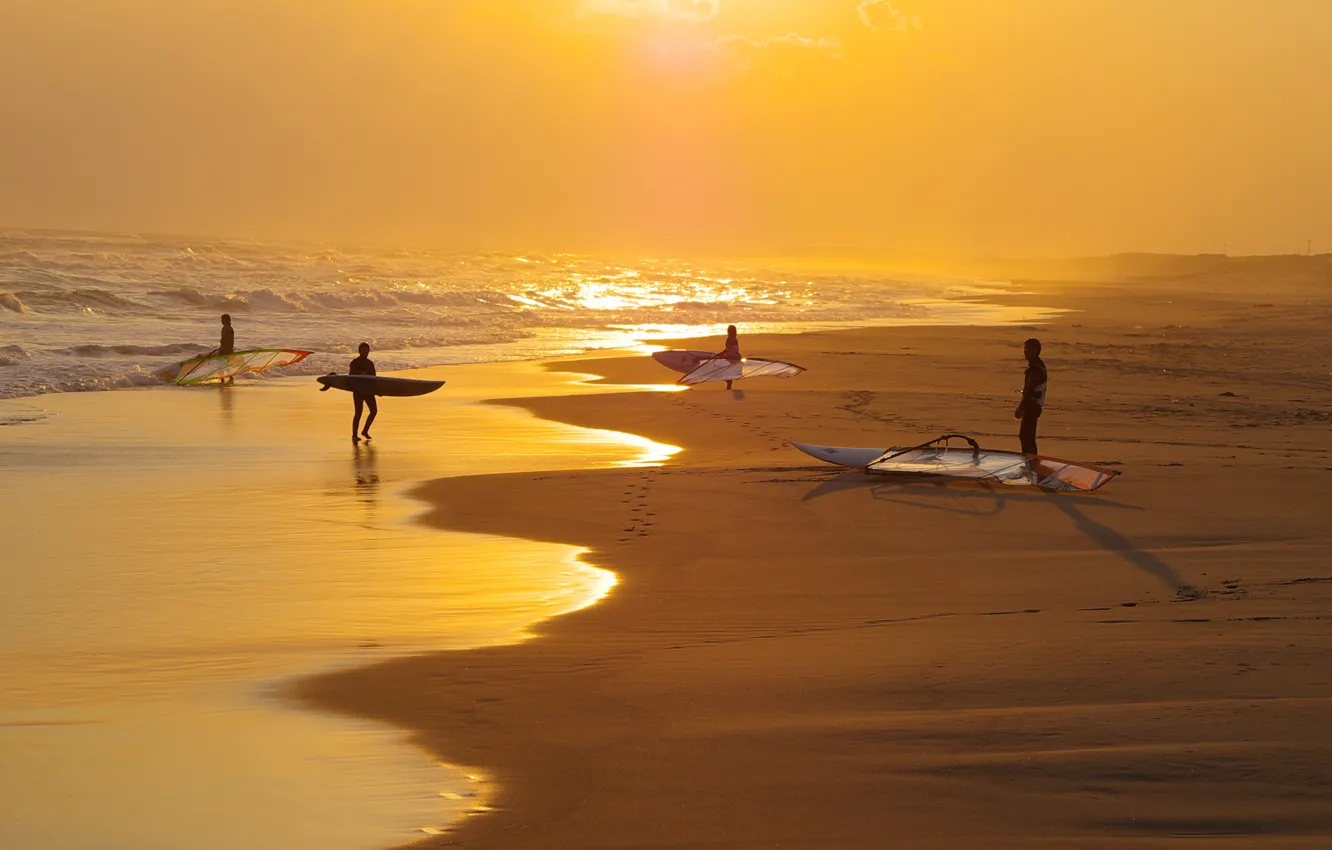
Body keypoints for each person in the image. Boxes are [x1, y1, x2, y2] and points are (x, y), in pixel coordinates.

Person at [1014, 337, 1047, 455]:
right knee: (1026, 436)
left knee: (1026, 436)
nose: (1024, 352)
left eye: (1027, 349)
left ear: (1035, 350)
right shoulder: (1036, 366)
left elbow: (1030, 390)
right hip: (1033, 405)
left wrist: (1021, 408)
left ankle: (1031, 462)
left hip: (1032, 406)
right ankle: (1029, 460)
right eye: (1025, 349)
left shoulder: (1036, 368)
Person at [349, 342, 377, 443]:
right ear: (360, 351)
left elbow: (374, 378)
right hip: (358, 390)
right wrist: (360, 373)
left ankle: (365, 431)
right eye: (363, 350)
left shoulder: (370, 363)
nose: (365, 352)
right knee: (358, 413)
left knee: (374, 411)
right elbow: (351, 374)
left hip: (368, 390)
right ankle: (354, 435)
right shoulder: (355, 362)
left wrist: (378, 390)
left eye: (367, 351)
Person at [718, 325, 741, 390]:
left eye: (728, 330)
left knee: (723, 370)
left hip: (731, 356)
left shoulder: (730, 338)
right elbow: (731, 348)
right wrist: (722, 353)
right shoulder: (734, 338)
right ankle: (729, 386)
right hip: (735, 356)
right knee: (729, 371)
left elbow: (730, 348)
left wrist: (722, 354)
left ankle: (729, 385)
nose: (727, 331)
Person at [219, 314, 235, 384]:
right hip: (230, 349)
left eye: (222, 320)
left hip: (225, 349)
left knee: (220, 364)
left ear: (225, 320)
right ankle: (230, 377)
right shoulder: (231, 328)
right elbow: (231, 340)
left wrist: (222, 347)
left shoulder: (225, 328)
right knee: (227, 364)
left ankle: (222, 379)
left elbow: (224, 339)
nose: (221, 321)